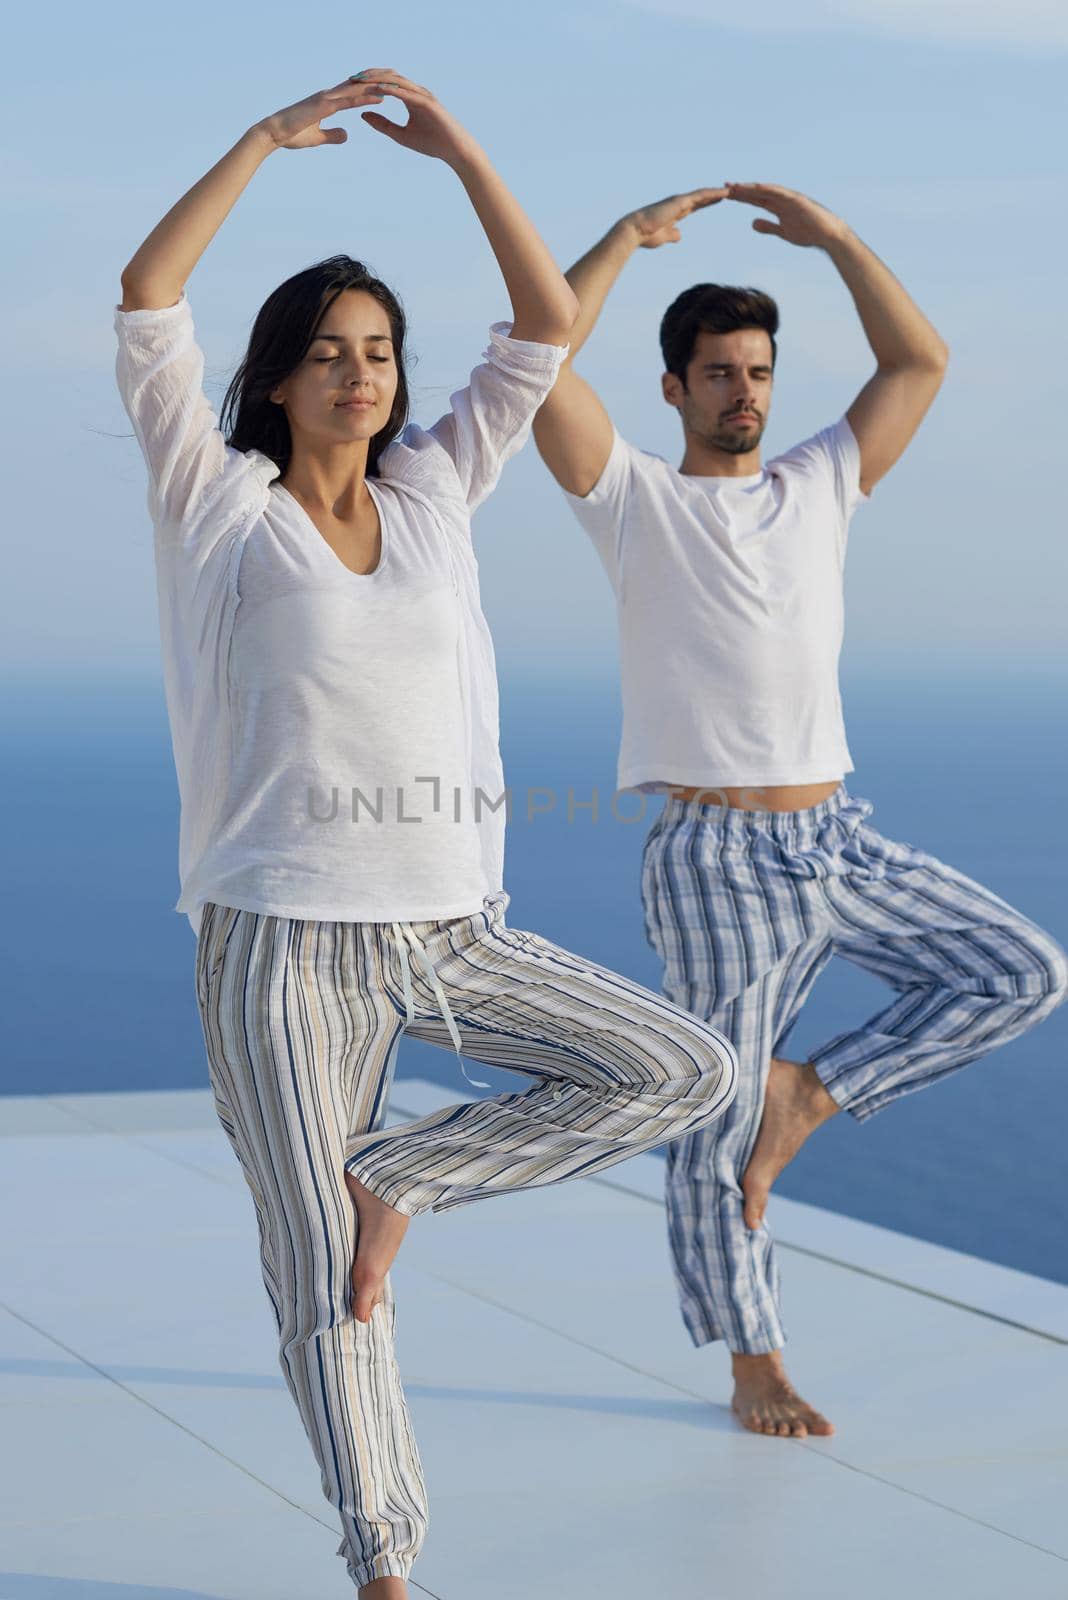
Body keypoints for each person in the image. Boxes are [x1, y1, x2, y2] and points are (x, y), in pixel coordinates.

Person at [114, 75, 740, 1599]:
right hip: (281, 943)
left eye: (379, 352)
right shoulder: (219, 504)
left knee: (682, 1068)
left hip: (453, 924)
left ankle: (410, 1177)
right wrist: (262, 142)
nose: (360, 375)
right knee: (327, 1284)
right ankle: (386, 1563)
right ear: (273, 378)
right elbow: (147, 294)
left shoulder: (443, 486)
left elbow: (541, 321)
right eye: (327, 354)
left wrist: (462, 154)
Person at [531, 182, 1068, 1442]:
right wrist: (619, 242)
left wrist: (834, 243)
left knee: (1025, 971)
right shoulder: (632, 499)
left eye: (759, 370)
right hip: (717, 855)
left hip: (838, 832)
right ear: (673, 388)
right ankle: (752, 1356)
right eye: (718, 372)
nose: (744, 392)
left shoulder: (822, 479)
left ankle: (812, 1095)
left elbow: (918, 357)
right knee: (708, 1115)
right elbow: (538, 357)